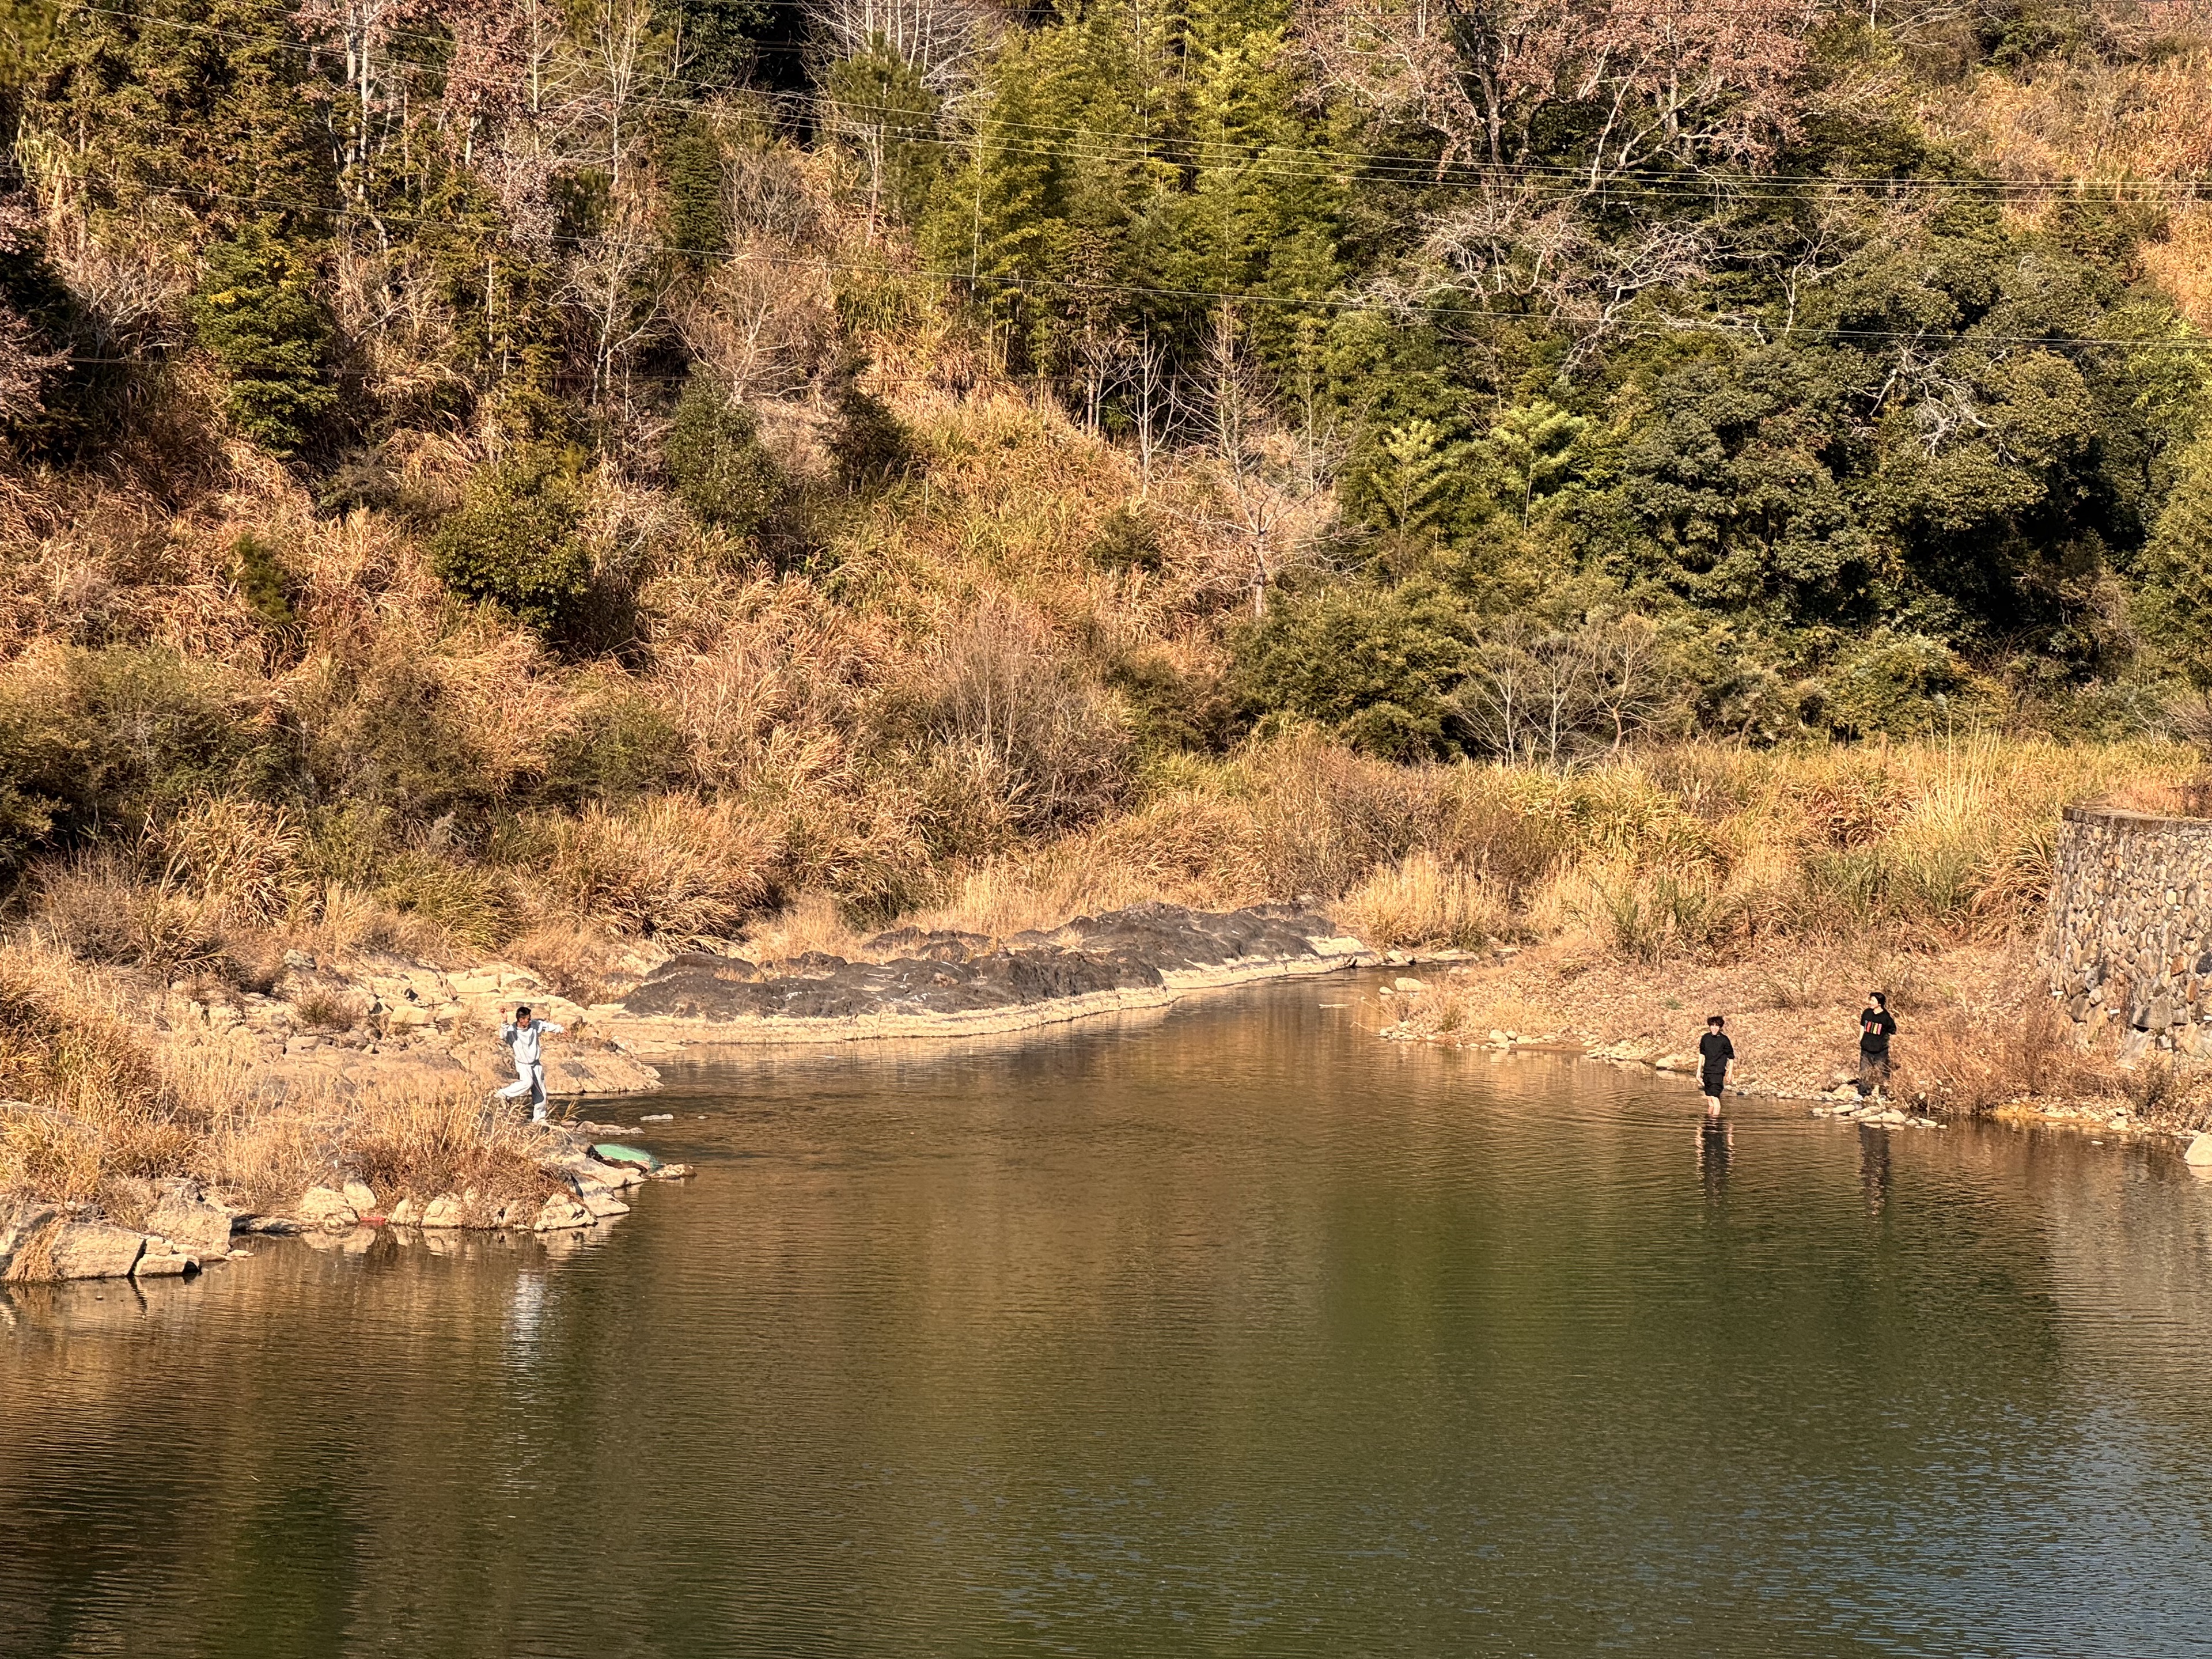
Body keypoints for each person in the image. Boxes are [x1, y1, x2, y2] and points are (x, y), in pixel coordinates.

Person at [495, 1005, 566, 1123]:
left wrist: (561, 1030)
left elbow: (546, 1026)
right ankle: (503, 1094)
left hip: (535, 1063)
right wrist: (504, 1020)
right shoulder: (513, 1031)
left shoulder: (534, 1026)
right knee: (527, 1083)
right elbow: (503, 1036)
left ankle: (539, 1119)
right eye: (528, 1019)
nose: (530, 1021)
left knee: (541, 1091)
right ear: (521, 1020)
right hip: (523, 1063)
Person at [1857, 991, 1897, 1099]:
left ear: (1879, 1003)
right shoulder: (1867, 1013)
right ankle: (1863, 1093)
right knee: (1864, 1070)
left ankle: (1883, 1093)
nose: (1870, 1002)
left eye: (1873, 1001)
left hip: (1881, 1049)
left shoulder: (1886, 1017)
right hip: (1866, 1048)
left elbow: (1893, 1032)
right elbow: (1862, 1026)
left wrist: (1891, 1046)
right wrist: (1861, 1039)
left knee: (1882, 1071)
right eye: (1870, 1000)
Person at [1696, 1013, 1735, 1114]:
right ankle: (1709, 1123)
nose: (1714, 1028)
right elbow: (1702, 1054)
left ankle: (1716, 1123)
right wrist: (1698, 1071)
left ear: (1720, 1027)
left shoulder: (1724, 1040)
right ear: (1710, 1026)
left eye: (1717, 1026)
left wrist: (1730, 1072)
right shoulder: (1705, 1038)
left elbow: (1731, 1057)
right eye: (1712, 1025)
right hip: (1707, 1070)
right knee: (1709, 1097)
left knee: (1715, 1096)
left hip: (1718, 1071)